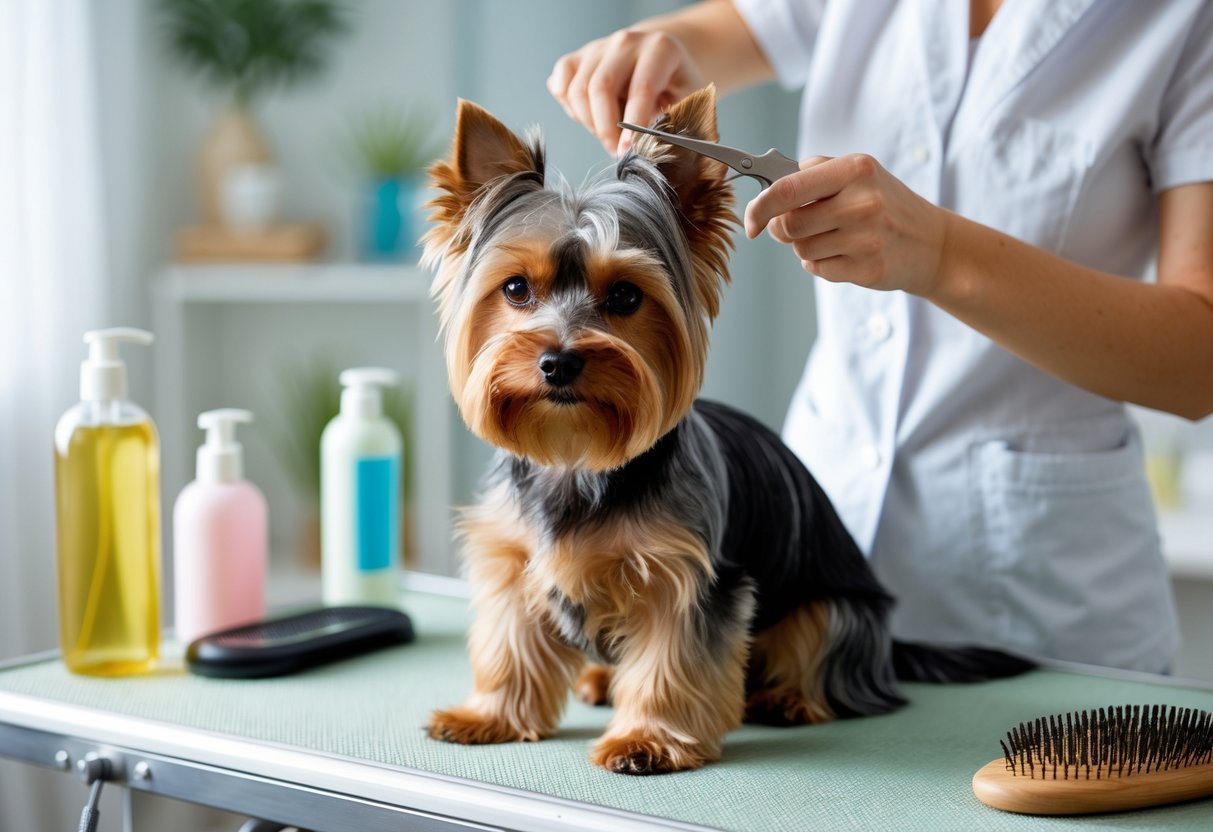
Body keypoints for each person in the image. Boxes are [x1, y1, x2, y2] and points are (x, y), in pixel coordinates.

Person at [546, 0, 1213, 674]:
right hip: (802, 569)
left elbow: (1199, 365)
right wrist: (666, 43)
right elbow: (728, 32)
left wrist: (942, 254)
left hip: (1040, 602)